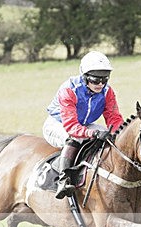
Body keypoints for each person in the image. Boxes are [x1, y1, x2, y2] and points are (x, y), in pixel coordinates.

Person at [43, 50, 124, 199]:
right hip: (57, 124)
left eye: (104, 79)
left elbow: (114, 118)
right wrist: (92, 133)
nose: (100, 84)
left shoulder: (107, 92)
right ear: (85, 77)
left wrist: (119, 133)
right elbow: (71, 126)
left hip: (85, 124)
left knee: (110, 137)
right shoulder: (69, 90)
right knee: (73, 139)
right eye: (95, 80)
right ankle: (64, 179)